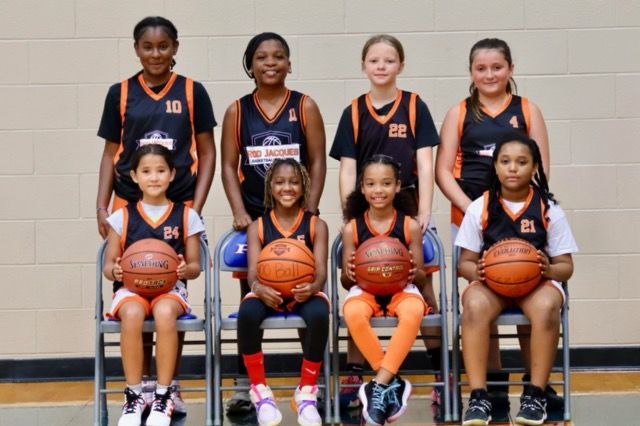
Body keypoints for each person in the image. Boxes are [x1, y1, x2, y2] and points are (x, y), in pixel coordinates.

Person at [96, 16, 216, 413]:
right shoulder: (120, 93)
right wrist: (102, 205)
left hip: (176, 204)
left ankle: (169, 385)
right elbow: (109, 154)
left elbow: (208, 151)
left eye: (163, 46)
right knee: (137, 287)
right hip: (130, 204)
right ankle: (143, 386)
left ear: (175, 47)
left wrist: (195, 207)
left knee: (168, 294)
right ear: (136, 49)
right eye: (147, 47)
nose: (155, 53)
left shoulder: (193, 91)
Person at [435, 38, 556, 409]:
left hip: (520, 217)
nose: (489, 74)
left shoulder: (527, 110)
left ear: (510, 69)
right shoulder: (459, 113)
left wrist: (515, 208)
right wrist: (476, 210)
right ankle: (493, 384)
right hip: (472, 216)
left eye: (497, 67)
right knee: (483, 289)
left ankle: (536, 382)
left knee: (525, 281)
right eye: (481, 68)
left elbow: (542, 169)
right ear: (471, 72)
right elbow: (443, 171)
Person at [328, 34, 441, 408]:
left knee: (425, 291)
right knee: (363, 281)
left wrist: (424, 211)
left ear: (401, 66)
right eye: (374, 60)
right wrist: (350, 215)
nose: (381, 66)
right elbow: (347, 169)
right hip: (368, 208)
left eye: (389, 60)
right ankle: (355, 377)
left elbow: (425, 163)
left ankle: (439, 374)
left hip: (407, 205)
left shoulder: (414, 106)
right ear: (363, 66)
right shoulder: (354, 111)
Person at [221, 32, 326, 414]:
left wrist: (309, 209)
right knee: (251, 298)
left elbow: (317, 160)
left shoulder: (304, 105)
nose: (270, 62)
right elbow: (228, 166)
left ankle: (312, 384)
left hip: (296, 216)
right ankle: (245, 383)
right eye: (262, 57)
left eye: (278, 56)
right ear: (250, 65)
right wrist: (239, 211)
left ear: (289, 63)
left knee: (304, 290)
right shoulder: (237, 111)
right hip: (256, 214)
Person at [456, 134, 576, 425]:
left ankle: (535, 394)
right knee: (472, 305)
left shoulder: (549, 209)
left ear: (534, 167)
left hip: (536, 285)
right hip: (491, 285)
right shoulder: (479, 207)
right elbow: (464, 263)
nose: (513, 168)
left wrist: (549, 270)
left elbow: (566, 267)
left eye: (521, 162)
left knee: (548, 306)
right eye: (505, 161)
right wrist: (476, 272)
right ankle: (479, 396)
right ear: (495, 166)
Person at [102, 144, 206, 426]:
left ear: (172, 174)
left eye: (161, 171)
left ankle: (164, 393)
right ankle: (134, 395)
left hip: (170, 289)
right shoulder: (121, 217)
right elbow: (108, 267)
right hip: (131, 289)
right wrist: (115, 270)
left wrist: (185, 269)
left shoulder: (187, 215)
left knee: (164, 312)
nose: (154, 177)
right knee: (132, 313)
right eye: (146, 171)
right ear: (134, 176)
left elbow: (195, 266)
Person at [340, 155, 436, 425]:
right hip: (366, 290)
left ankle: (379, 383)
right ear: (362, 188)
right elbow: (346, 282)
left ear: (397, 186)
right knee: (352, 312)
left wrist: (412, 270)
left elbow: (420, 276)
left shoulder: (409, 225)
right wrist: (349, 273)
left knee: (414, 309)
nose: (378, 190)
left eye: (385, 183)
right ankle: (392, 381)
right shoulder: (352, 228)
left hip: (400, 288)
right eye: (371, 184)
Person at [238, 159, 329, 426]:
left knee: (320, 313)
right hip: (268, 291)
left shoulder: (316, 225)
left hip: (304, 291)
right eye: (279, 182)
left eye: (294, 182)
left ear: (304, 187)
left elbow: (321, 272)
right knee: (247, 313)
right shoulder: (258, 226)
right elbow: (252, 274)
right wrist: (259, 288)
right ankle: (260, 391)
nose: (287, 187)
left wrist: (313, 287)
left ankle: (307, 392)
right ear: (270, 187)